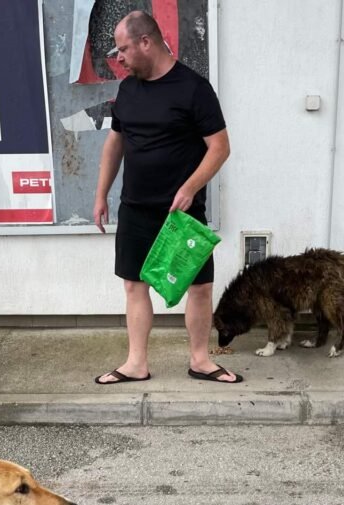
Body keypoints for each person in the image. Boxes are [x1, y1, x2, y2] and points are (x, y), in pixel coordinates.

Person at [93, 10, 242, 385]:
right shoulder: (128, 89)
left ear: (147, 41)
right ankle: (136, 364)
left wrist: (190, 188)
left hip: (182, 213)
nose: (120, 58)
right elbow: (116, 143)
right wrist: (101, 195)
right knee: (134, 284)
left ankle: (200, 360)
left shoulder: (193, 89)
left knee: (199, 286)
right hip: (136, 208)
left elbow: (219, 147)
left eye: (124, 49)